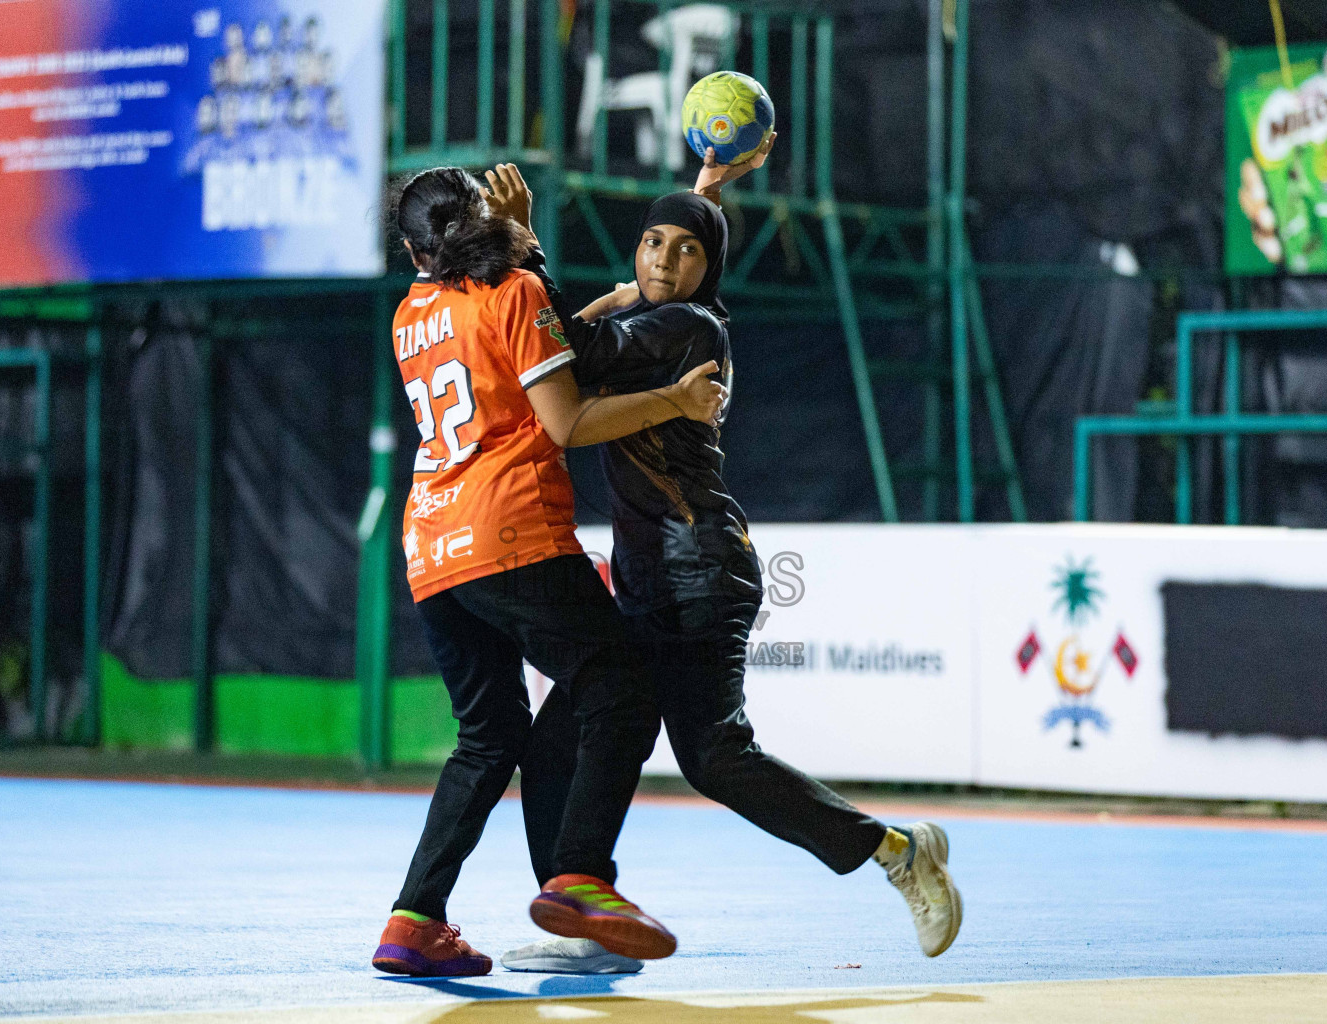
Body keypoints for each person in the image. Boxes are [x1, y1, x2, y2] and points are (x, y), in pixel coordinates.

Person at [473, 155, 963, 974]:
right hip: (652, 579)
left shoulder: (690, 331)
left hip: (698, 575)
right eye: (651, 244)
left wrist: (524, 245)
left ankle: (896, 852)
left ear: (710, 272)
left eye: (686, 251)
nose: (665, 259)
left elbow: (573, 345)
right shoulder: (658, 313)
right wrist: (697, 205)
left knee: (713, 757)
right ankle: (589, 917)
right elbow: (606, 319)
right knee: (563, 740)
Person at [370, 167, 729, 977]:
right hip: (512, 533)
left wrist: (528, 256)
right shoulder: (515, 290)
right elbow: (565, 420)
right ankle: (578, 881)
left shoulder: (410, 312)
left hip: (431, 549)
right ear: (490, 217)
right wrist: (673, 400)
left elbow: (552, 328)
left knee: (490, 734)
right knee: (622, 686)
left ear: (411, 249)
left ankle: (414, 918)